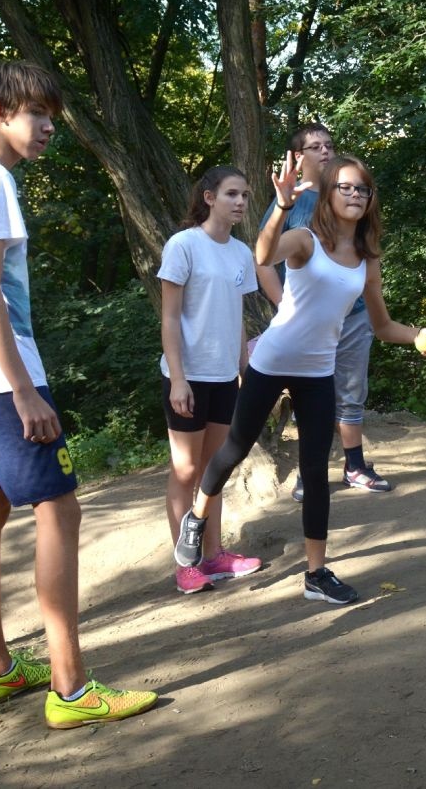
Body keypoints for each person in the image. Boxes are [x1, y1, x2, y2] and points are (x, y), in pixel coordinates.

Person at [0, 61, 156, 727]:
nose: (48, 127)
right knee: (60, 510)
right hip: (3, 381)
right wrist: (24, 391)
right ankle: (72, 689)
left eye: (51, 115)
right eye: (37, 114)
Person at [176, 155, 426, 603]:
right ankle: (196, 518)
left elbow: (382, 326)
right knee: (234, 449)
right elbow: (262, 256)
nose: (355, 195)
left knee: (315, 472)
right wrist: (281, 205)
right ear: (328, 195)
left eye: (362, 189)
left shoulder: (367, 260)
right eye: (345, 187)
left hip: (318, 372)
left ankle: (316, 574)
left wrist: (419, 336)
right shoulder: (305, 240)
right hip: (272, 362)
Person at [255, 124, 393, 499]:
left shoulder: (347, 197)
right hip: (307, 326)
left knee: (351, 390)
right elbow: (263, 260)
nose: (325, 151)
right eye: (315, 146)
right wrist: (285, 305)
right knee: (307, 396)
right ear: (298, 158)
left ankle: (355, 466)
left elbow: (366, 255)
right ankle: (307, 471)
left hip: (355, 315)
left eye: (329, 144)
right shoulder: (293, 202)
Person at [159, 166, 263, 594]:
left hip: (224, 377)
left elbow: (237, 316)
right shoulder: (183, 245)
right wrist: (178, 379)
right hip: (187, 377)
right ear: (208, 198)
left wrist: (244, 370)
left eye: (244, 195)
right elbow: (169, 318)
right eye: (231, 194)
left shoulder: (240, 253)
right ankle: (185, 565)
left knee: (213, 470)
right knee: (186, 470)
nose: (240, 202)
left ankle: (215, 554)